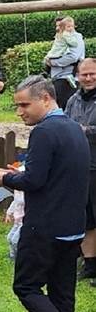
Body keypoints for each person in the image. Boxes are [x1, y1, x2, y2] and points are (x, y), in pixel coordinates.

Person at [0, 75, 93, 312]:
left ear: (46, 98)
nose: (19, 112)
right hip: (72, 225)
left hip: (45, 226)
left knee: (26, 286)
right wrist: (20, 173)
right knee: (62, 293)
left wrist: (4, 179)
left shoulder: (45, 132)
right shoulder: (74, 128)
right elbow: (55, 174)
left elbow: (34, 181)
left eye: (24, 104)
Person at [63, 57, 96, 284]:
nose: (88, 78)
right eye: (84, 74)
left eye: (93, 73)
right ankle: (90, 264)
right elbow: (65, 125)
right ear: (77, 76)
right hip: (80, 167)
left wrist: (85, 130)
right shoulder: (73, 100)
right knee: (87, 218)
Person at [45, 16, 85, 109]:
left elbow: (73, 57)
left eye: (60, 26)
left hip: (67, 78)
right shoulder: (60, 37)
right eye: (57, 26)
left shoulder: (75, 37)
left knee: (66, 107)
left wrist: (53, 62)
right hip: (57, 77)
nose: (57, 28)